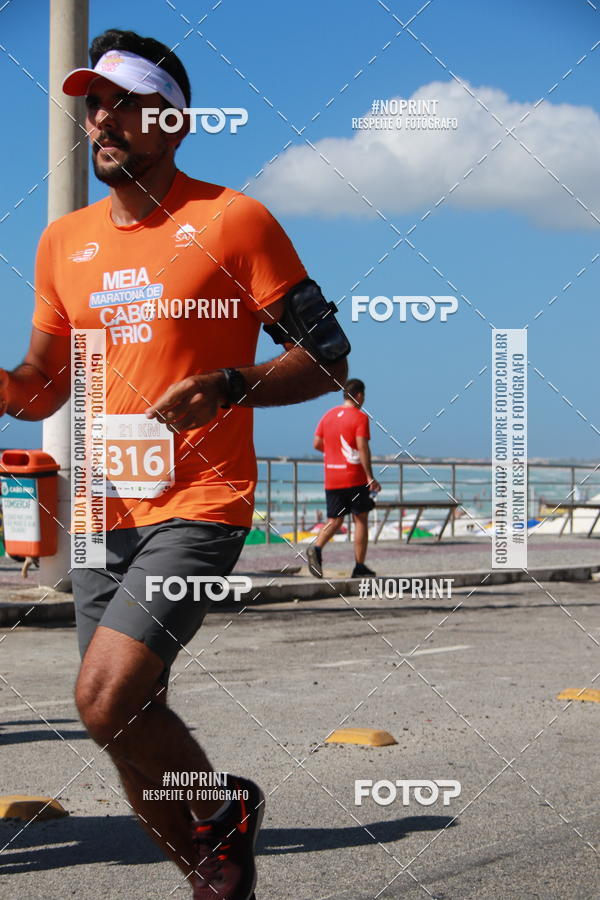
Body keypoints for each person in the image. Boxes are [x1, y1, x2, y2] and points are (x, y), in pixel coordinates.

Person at [0, 29, 349, 900]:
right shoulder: (62, 242)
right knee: (125, 720)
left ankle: (219, 816)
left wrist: (228, 385)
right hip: (98, 509)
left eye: (123, 101)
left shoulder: (233, 219)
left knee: (103, 699)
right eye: (93, 103)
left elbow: (328, 355)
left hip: (199, 502)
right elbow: (42, 384)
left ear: (173, 118)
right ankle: (213, 849)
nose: (103, 119)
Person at [308, 378, 381, 579]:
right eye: (363, 396)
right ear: (358, 395)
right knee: (360, 520)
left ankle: (316, 548)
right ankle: (359, 566)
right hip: (353, 477)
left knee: (335, 520)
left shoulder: (328, 415)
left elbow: (316, 443)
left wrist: (333, 454)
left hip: (332, 476)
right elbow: (362, 447)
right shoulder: (359, 417)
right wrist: (369, 476)